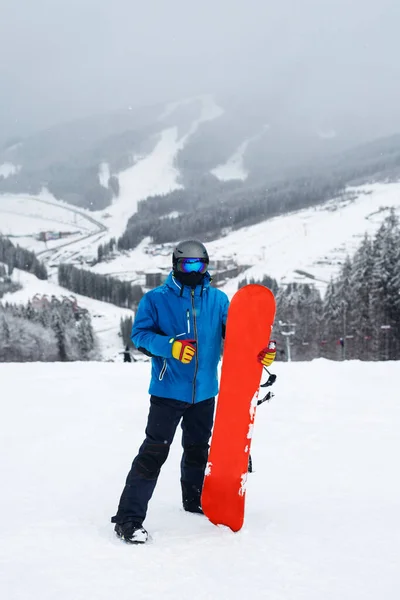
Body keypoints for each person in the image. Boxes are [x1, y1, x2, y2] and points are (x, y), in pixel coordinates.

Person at [111, 240, 276, 543]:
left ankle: (195, 499)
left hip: (205, 393)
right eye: (187, 265)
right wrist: (170, 346)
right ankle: (128, 519)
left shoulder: (217, 300)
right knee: (153, 454)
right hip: (167, 391)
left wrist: (259, 352)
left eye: (199, 265)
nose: (193, 271)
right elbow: (140, 336)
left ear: (206, 265)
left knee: (198, 450)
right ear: (175, 265)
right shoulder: (156, 300)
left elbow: (237, 337)